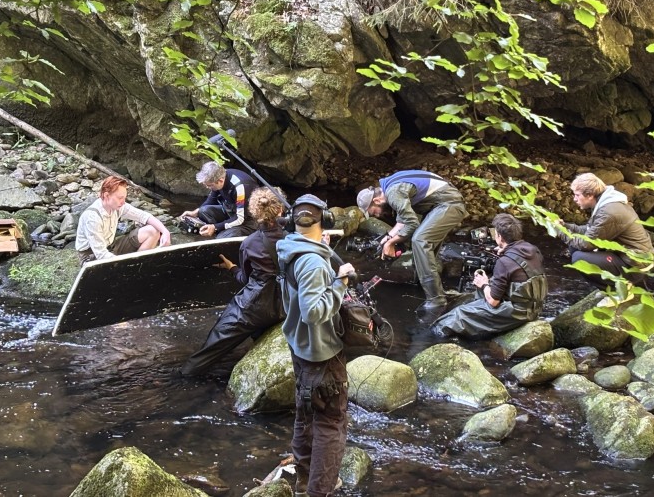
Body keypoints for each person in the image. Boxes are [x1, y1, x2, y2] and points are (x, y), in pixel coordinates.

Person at [277, 194, 355, 497]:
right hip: (321, 353)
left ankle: (303, 481)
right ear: (325, 220)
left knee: (305, 413)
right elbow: (312, 312)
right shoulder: (311, 262)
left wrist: (320, 241)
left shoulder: (289, 247)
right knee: (330, 423)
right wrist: (341, 282)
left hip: (300, 347)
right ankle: (319, 490)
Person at [180, 187, 288, 376]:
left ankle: (181, 379)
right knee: (259, 330)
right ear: (281, 210)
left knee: (209, 350)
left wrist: (231, 267)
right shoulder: (294, 238)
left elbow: (245, 279)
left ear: (254, 213)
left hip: (254, 309)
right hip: (284, 307)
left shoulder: (250, 243)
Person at [356, 170, 468, 310]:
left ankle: (436, 300)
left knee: (420, 240)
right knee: (421, 249)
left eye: (372, 212)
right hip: (442, 204)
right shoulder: (391, 186)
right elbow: (402, 222)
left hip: (450, 204)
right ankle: (425, 289)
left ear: (376, 201)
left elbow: (412, 223)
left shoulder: (393, 193)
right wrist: (386, 239)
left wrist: (391, 243)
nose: (376, 216)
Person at [432, 213, 547, 339]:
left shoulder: (505, 263)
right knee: (476, 300)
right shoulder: (533, 250)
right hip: (535, 308)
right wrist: (506, 252)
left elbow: (493, 301)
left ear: (499, 236)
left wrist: (484, 283)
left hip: (518, 314)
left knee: (452, 319)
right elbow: (520, 271)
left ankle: (432, 341)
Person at [556, 172, 654, 289]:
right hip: (627, 258)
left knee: (579, 258)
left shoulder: (609, 212)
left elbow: (586, 244)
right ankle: (614, 285)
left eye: (577, 195)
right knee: (574, 247)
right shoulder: (606, 203)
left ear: (590, 195)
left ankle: (620, 289)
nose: (575, 199)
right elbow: (589, 230)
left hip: (636, 267)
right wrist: (565, 226)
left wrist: (559, 231)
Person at [75, 175, 171, 265]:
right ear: (106, 196)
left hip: (111, 246)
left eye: (124, 198)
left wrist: (165, 232)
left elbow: (144, 216)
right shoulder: (92, 218)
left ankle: (140, 266)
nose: (123, 202)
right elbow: (101, 254)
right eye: (120, 198)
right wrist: (123, 266)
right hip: (91, 256)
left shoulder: (119, 206)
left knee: (153, 231)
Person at [179, 162, 258, 239]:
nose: (207, 187)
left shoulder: (240, 187)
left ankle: (225, 234)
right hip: (231, 210)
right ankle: (220, 230)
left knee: (221, 238)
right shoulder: (220, 175)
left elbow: (240, 218)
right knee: (203, 211)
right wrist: (195, 212)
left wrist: (215, 227)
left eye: (209, 185)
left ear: (220, 181)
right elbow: (212, 199)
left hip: (249, 220)